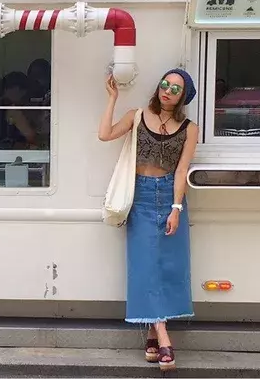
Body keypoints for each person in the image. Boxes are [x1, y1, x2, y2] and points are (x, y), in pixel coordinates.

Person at [98, 68, 199, 372]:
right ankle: (164, 337)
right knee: (145, 267)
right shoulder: (137, 115)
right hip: (140, 195)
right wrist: (112, 99)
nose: (167, 91)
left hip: (169, 195)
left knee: (168, 266)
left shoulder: (189, 128)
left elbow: (181, 170)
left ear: (183, 97)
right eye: (165, 84)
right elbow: (104, 134)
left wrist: (176, 208)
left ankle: (153, 335)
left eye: (175, 89)